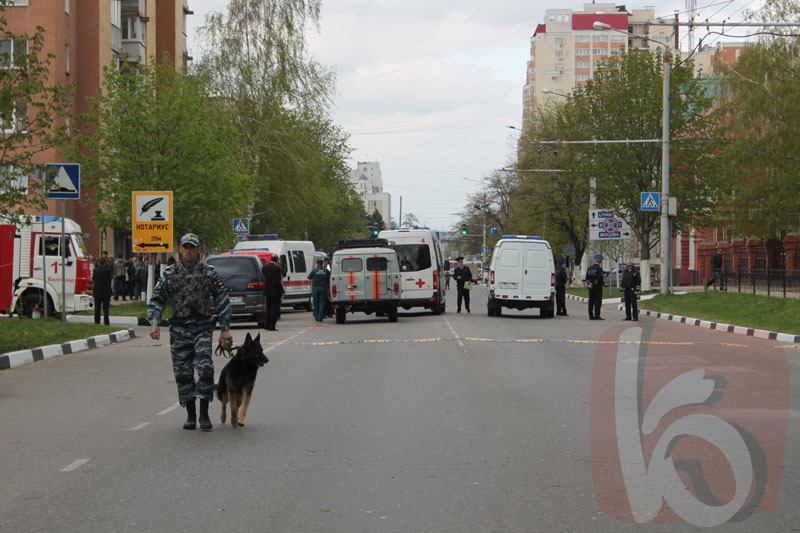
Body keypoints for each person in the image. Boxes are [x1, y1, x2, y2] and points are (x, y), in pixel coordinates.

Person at [147, 233, 232, 432]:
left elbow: (221, 298)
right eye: (185, 247)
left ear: (198, 250)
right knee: (183, 373)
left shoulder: (209, 273)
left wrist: (225, 329)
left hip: (202, 327)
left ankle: (204, 413)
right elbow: (158, 299)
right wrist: (154, 322)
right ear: (180, 249)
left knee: (205, 369)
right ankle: (191, 414)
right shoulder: (170, 273)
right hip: (179, 329)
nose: (188, 251)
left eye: (192, 247)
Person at [261, 255, 284, 331]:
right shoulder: (277, 268)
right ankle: (272, 326)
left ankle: (266, 325)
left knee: (268, 308)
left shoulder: (264, 268)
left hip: (267, 290)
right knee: (274, 309)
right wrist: (281, 290)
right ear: (277, 260)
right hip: (275, 291)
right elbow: (278, 282)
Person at [308, 257, 330, 322]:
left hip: (315, 288)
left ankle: (316, 317)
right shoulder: (326, 270)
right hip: (323, 287)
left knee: (316, 303)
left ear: (317, 263)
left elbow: (309, 277)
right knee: (322, 303)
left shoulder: (314, 270)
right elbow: (329, 278)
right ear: (322, 263)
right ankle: (320, 317)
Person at [92, 257, 113, 325]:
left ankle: (97, 321)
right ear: (105, 263)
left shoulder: (95, 270)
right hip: (106, 291)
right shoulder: (108, 270)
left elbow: (93, 279)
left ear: (98, 263)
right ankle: (106, 321)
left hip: (97, 291)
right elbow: (110, 279)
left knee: (97, 308)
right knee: (106, 308)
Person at [585, 254, 605, 320]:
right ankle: (597, 315)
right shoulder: (599, 269)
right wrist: (594, 283)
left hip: (590, 287)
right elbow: (600, 278)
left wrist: (589, 284)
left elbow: (587, 278)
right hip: (597, 287)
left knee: (591, 301)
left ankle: (591, 316)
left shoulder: (589, 268)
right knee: (598, 301)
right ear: (600, 261)